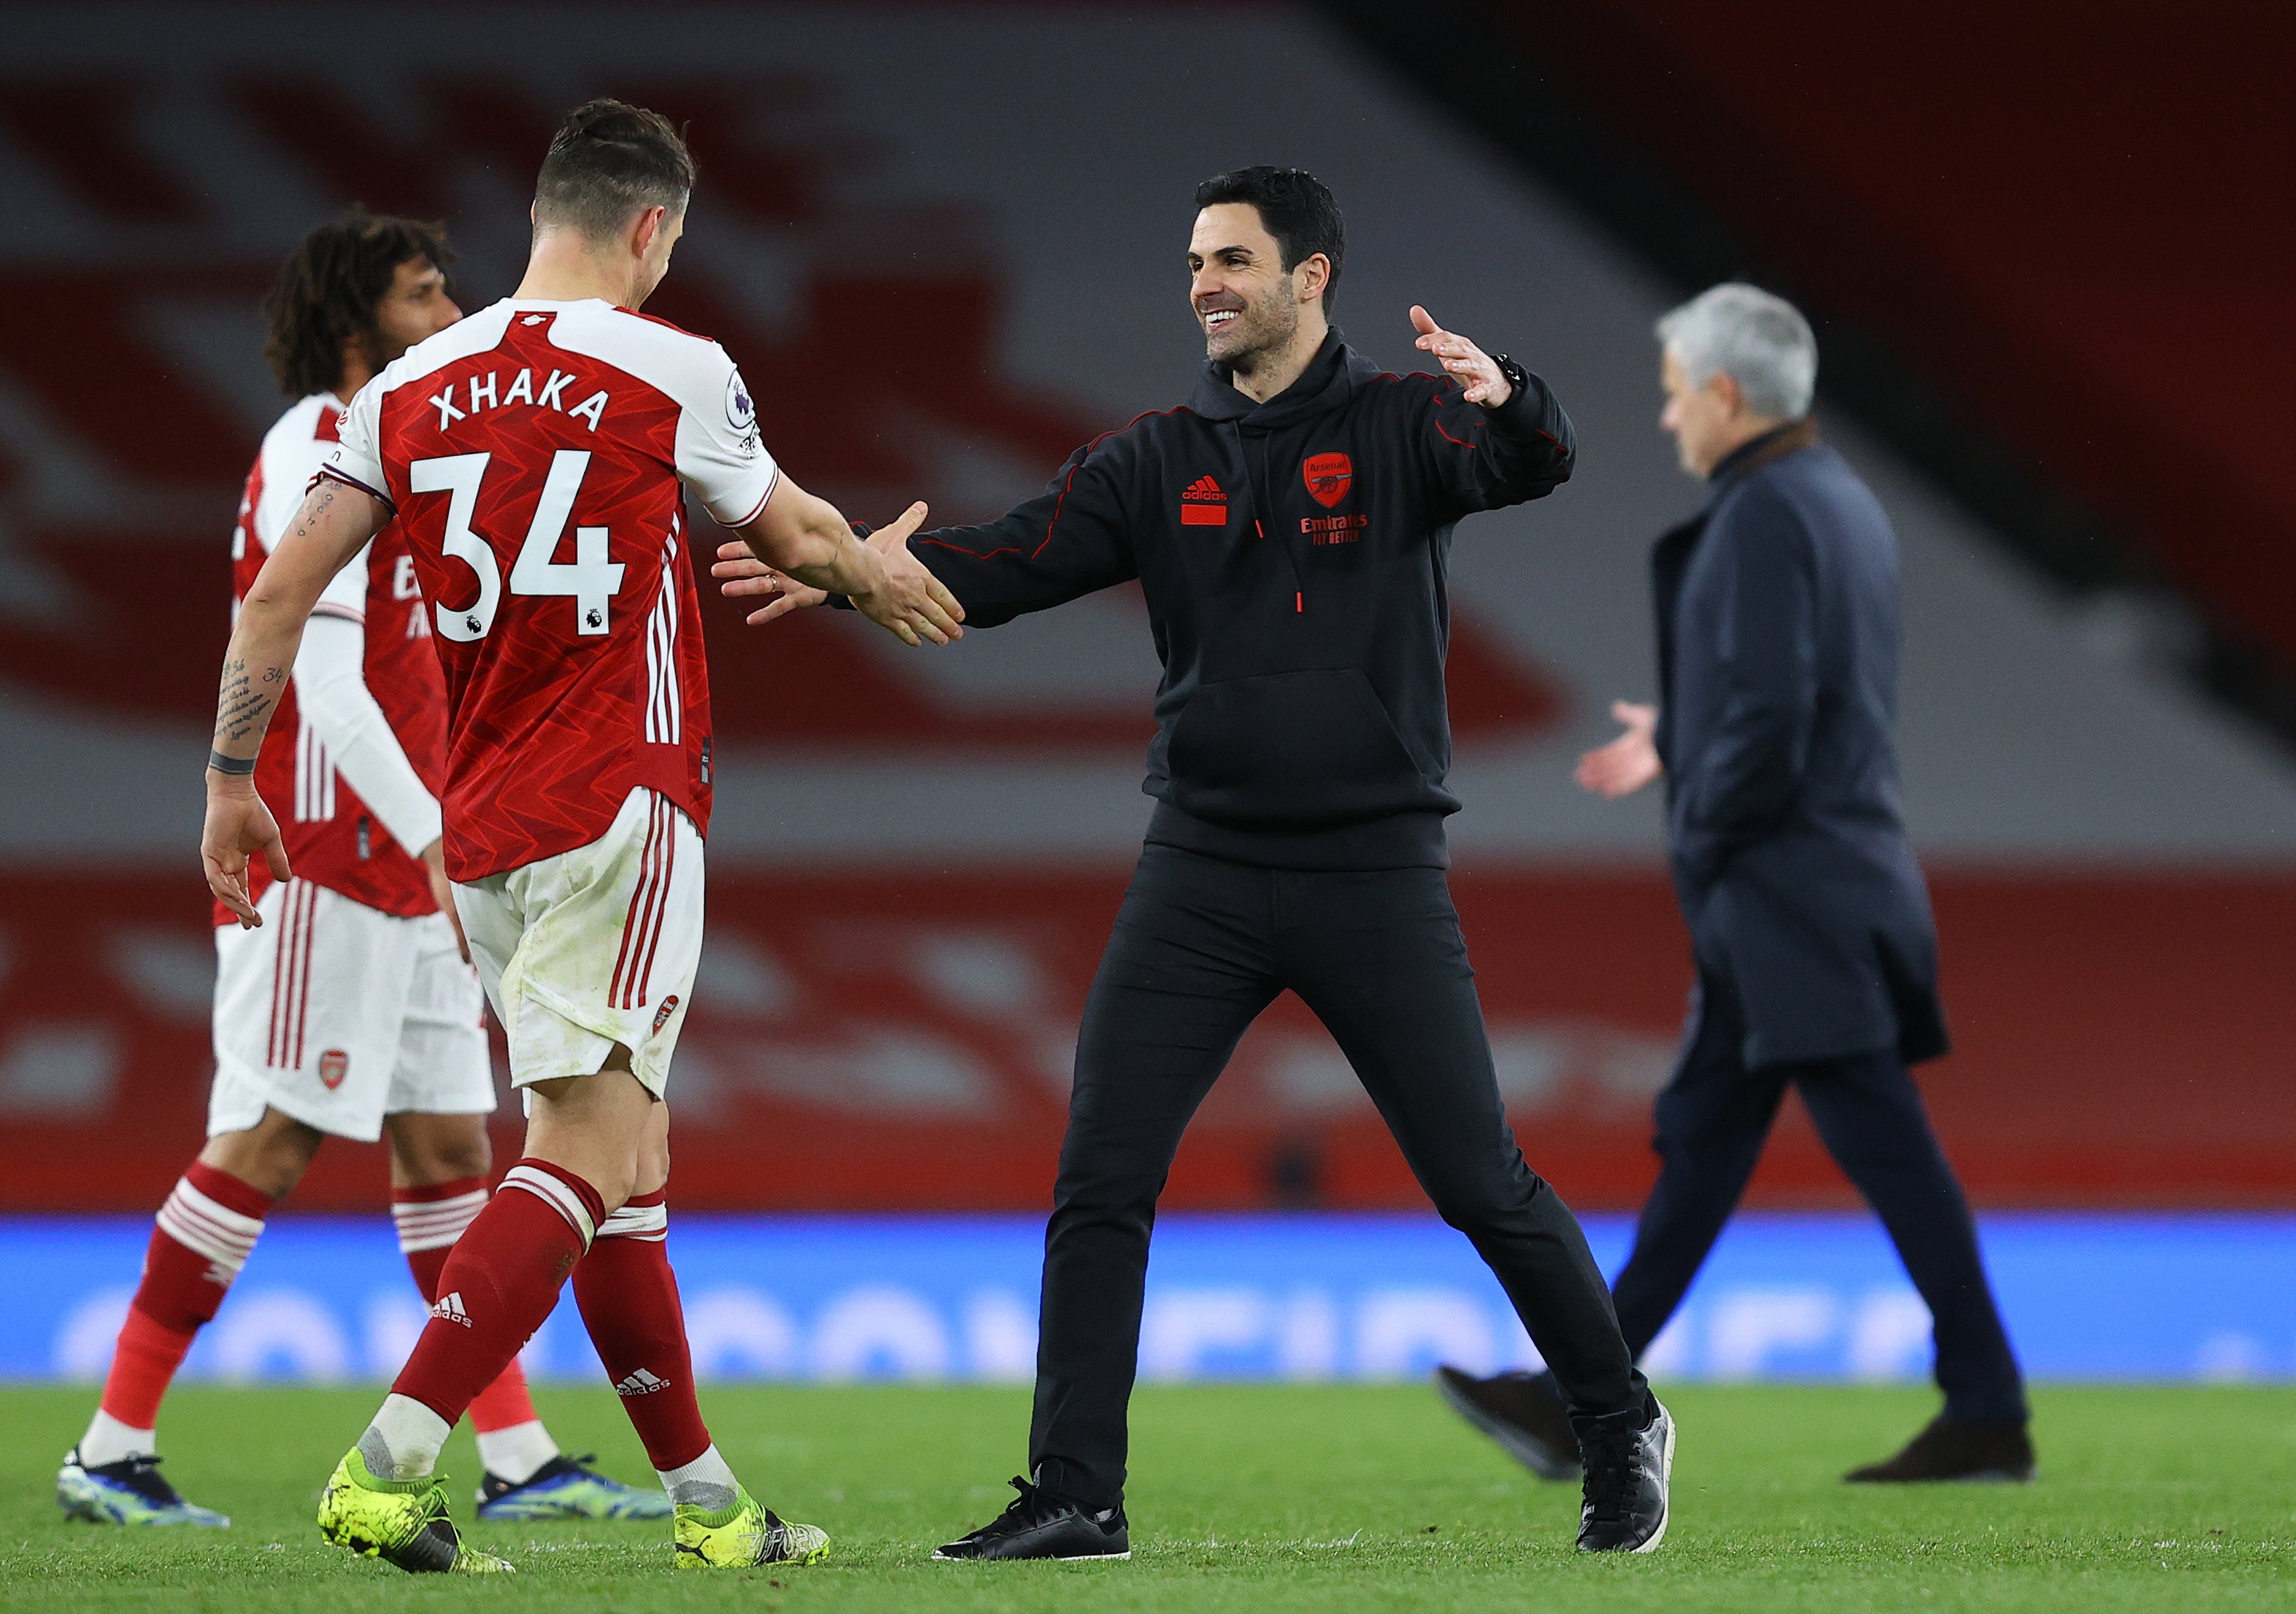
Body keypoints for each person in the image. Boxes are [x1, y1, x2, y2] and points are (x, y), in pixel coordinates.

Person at [717, 166, 1672, 1559]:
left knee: (1479, 1180)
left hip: (1371, 873)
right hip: (1203, 872)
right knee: (1101, 1173)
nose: (1206, 285)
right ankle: (1074, 1493)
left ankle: (1615, 1420)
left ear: (1310, 276)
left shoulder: (1409, 424)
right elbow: (999, 568)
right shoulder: (1150, 459)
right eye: (1190, 264)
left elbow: (1532, 462)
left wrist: (1512, 395)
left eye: (1231, 259)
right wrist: (851, 571)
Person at [199, 100, 962, 1575]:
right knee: (586, 1142)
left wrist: (233, 779)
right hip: (621, 797)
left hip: (475, 828)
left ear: (536, 216)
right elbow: (795, 538)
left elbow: (274, 601)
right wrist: (882, 579)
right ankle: (391, 1460)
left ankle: (709, 1504)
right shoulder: (674, 365)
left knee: (629, 1155)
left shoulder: (409, 385)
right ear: (653, 229)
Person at [59, 212, 662, 1531]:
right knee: (268, 1142)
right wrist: (441, 831)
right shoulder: (311, 446)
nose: (450, 311)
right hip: (325, 852)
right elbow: (319, 681)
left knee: (451, 1148)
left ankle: (515, 1462)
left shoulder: (414, 438)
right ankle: (109, 1449)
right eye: (424, 291)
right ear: (357, 320)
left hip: (414, 866)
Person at [1435, 283, 2033, 1486]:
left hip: (1787, 890)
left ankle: (1986, 1410)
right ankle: (1580, 1398)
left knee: (1879, 1141)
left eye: (1671, 396)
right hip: (1815, 878)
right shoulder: (1837, 501)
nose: (1667, 421)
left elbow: (1769, 711)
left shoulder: (1764, 514)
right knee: (1705, 1148)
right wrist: (1681, 733)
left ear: (1720, 392)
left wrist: (1701, 819)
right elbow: (1805, 691)